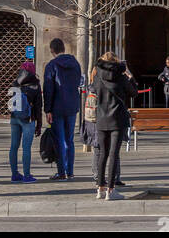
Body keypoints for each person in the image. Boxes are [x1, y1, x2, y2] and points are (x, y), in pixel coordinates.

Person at [92, 51, 138, 201]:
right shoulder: (121, 76)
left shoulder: (97, 76)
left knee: (102, 154)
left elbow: (93, 90)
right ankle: (111, 190)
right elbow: (133, 93)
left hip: (101, 118)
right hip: (117, 118)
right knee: (113, 154)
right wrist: (131, 78)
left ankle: (100, 188)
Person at [43, 38, 82, 181]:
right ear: (64, 48)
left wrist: (47, 109)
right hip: (72, 106)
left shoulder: (52, 65)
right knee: (69, 140)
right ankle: (70, 171)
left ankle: (62, 172)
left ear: (52, 50)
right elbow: (78, 82)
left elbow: (48, 88)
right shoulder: (75, 64)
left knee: (59, 140)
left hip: (57, 107)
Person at [8, 58, 43, 183]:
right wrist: (39, 125)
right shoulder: (35, 85)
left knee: (13, 146)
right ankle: (27, 176)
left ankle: (14, 174)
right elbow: (38, 107)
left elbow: (10, 102)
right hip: (28, 120)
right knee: (26, 148)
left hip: (14, 118)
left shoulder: (15, 83)